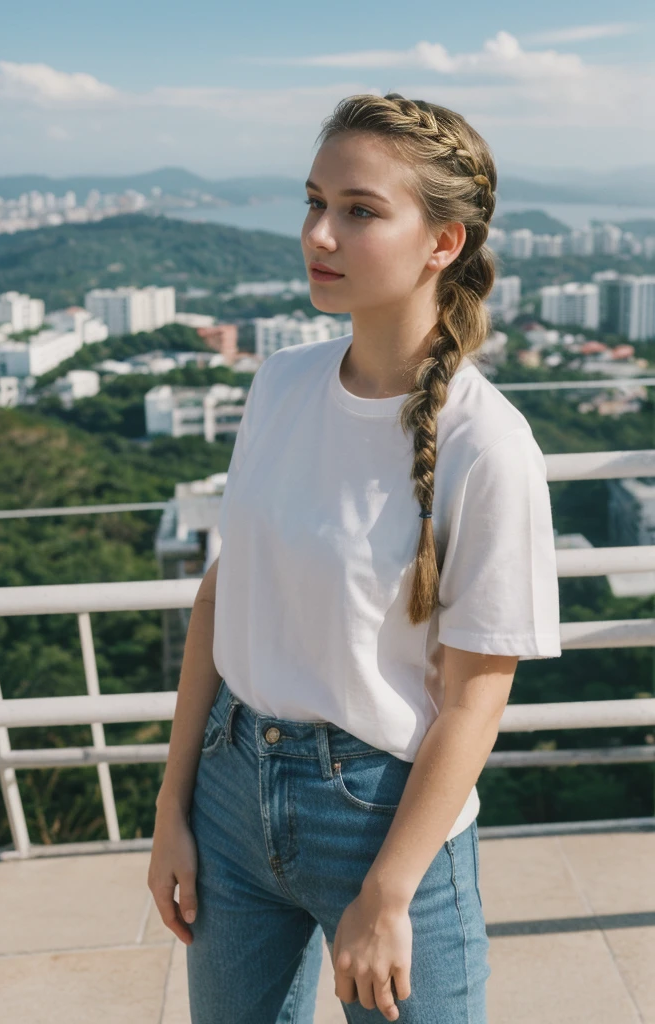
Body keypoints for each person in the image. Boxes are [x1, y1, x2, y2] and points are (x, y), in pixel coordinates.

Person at [148, 92, 562, 1024]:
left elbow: (475, 696)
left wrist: (389, 891)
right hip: (231, 786)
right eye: (313, 201)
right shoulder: (281, 380)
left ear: (443, 242)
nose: (318, 234)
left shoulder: (487, 445)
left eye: (360, 211)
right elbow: (225, 593)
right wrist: (173, 804)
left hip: (384, 813)